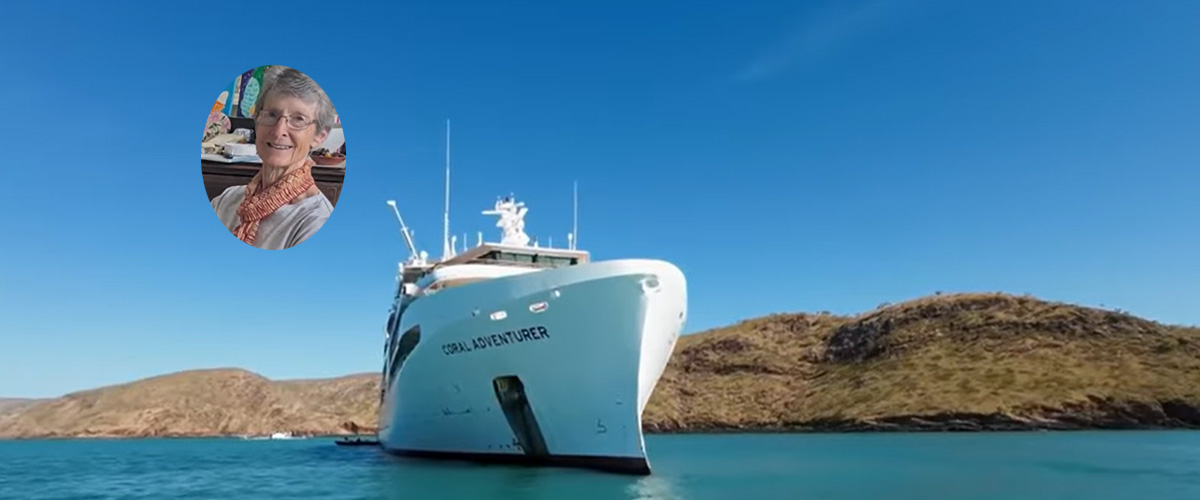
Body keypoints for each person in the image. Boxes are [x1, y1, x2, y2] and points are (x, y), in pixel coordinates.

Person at [211, 67, 336, 249]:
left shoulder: (316, 221)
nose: (279, 131)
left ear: (320, 135)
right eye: (271, 114)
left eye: (298, 119)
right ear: (257, 120)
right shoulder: (226, 200)